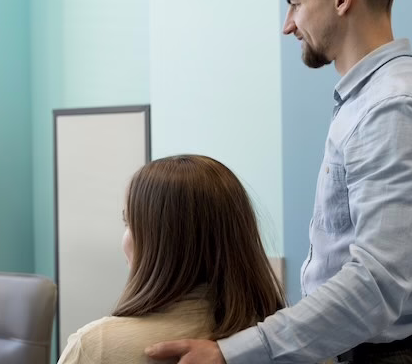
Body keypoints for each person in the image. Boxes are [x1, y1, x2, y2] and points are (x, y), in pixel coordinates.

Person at [146, 0, 412, 363]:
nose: (288, 25)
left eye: (295, 4)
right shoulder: (370, 102)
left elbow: (377, 284)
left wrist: (234, 353)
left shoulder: (393, 110)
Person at [57, 154, 285, 364]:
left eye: (129, 224)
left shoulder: (96, 347)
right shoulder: (291, 343)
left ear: (157, 243)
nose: (125, 239)